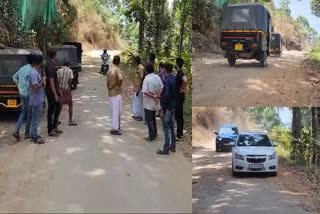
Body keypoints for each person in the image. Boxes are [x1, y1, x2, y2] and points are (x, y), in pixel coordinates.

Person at [12, 54, 34, 141]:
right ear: (33, 61)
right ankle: (27, 134)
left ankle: (17, 131)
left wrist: (18, 86)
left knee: (23, 112)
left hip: (21, 93)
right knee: (29, 114)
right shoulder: (31, 70)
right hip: (28, 95)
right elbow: (30, 85)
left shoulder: (22, 68)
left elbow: (14, 77)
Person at [157, 63, 176, 155]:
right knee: (172, 126)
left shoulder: (167, 81)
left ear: (164, 70)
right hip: (173, 106)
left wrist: (162, 108)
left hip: (167, 107)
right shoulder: (174, 77)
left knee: (166, 128)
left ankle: (166, 148)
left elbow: (166, 96)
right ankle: (173, 146)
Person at [142, 63, 163, 141]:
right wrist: (158, 95)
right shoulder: (157, 77)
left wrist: (153, 96)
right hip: (156, 102)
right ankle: (155, 132)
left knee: (149, 119)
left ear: (147, 71)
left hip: (148, 102)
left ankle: (151, 135)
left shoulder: (146, 79)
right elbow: (162, 86)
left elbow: (145, 91)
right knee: (153, 117)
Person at [46, 48, 63, 137]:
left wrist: (58, 89)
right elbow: (51, 81)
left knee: (59, 107)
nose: (58, 56)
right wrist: (55, 94)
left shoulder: (52, 65)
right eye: (57, 54)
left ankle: (54, 127)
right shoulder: (50, 66)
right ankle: (50, 130)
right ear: (54, 55)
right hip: (51, 92)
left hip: (55, 90)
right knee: (51, 110)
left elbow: (54, 81)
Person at [29, 55, 46, 144]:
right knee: (35, 120)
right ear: (39, 63)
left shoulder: (34, 71)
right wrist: (42, 81)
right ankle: (35, 137)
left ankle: (34, 134)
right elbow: (35, 87)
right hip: (36, 100)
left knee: (34, 119)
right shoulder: (33, 73)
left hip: (36, 99)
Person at [57, 58, 77, 126]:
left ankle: (56, 120)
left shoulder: (59, 71)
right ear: (68, 64)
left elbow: (57, 81)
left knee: (59, 105)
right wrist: (69, 88)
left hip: (60, 90)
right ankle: (70, 120)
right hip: (66, 90)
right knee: (70, 104)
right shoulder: (70, 71)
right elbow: (70, 81)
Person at [107, 55, 123, 135]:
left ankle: (116, 126)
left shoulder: (110, 69)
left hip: (110, 92)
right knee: (117, 111)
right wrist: (118, 85)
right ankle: (115, 128)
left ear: (113, 61)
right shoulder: (117, 70)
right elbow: (120, 78)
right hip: (116, 93)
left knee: (113, 111)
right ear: (119, 62)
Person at [175, 57, 187, 141]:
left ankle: (179, 134)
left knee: (179, 115)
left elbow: (185, 80)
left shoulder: (179, 72)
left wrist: (181, 88)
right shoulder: (181, 72)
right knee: (179, 114)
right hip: (180, 96)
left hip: (179, 97)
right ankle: (180, 132)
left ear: (177, 64)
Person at [132, 56, 144, 121]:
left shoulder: (141, 68)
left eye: (134, 60)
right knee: (135, 100)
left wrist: (139, 87)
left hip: (138, 88)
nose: (133, 61)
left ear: (136, 61)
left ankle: (140, 116)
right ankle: (136, 114)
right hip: (135, 87)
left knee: (139, 101)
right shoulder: (137, 67)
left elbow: (142, 78)